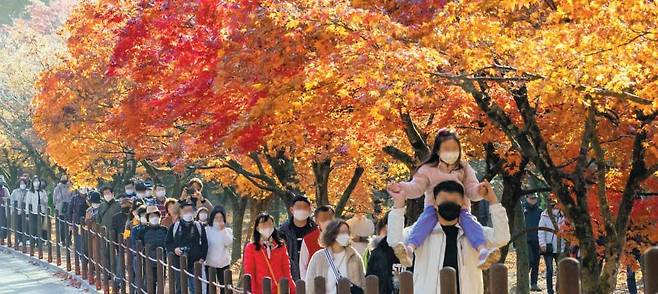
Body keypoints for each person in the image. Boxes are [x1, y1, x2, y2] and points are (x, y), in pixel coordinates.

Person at [386, 129, 496, 268]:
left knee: (472, 225)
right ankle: (409, 249)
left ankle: (483, 251)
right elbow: (416, 188)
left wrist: (480, 191)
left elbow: (471, 189)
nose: (451, 152)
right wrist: (401, 188)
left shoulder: (464, 168)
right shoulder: (427, 169)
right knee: (423, 224)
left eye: (455, 149)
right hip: (433, 208)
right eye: (447, 149)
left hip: (460, 209)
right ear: (438, 151)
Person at [387, 180, 510, 293]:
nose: (449, 203)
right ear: (435, 203)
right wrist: (398, 205)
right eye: (445, 199)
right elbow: (394, 240)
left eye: (455, 200)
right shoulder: (420, 232)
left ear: (462, 204)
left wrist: (493, 202)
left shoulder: (474, 233)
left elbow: (502, 238)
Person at [305, 219, 366, 294]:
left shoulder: (355, 257)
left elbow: (363, 284)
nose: (346, 236)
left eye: (347, 233)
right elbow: (309, 285)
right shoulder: (318, 257)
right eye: (342, 232)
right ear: (332, 234)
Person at [243, 213, 295, 294]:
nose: (267, 226)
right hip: (260, 291)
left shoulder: (281, 246)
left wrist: (294, 290)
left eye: (270, 224)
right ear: (257, 227)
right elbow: (250, 273)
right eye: (263, 224)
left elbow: (287, 272)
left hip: (279, 290)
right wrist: (252, 292)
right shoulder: (251, 248)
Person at [165, 200, 208, 294]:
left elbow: (204, 243)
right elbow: (168, 243)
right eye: (185, 211)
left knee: (196, 289)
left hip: (195, 264)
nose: (188, 213)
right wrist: (175, 249)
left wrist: (202, 258)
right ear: (180, 213)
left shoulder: (198, 226)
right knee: (180, 289)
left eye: (190, 211)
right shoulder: (175, 226)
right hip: (178, 263)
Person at [365, 211, 406, 294]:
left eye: (400, 224)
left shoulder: (411, 251)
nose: (397, 228)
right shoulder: (377, 253)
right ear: (386, 226)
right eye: (394, 224)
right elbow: (369, 281)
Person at [278, 195, 316, 281]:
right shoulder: (283, 231)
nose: (302, 210)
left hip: (311, 274)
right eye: (298, 207)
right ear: (292, 210)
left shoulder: (315, 230)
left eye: (305, 207)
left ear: (309, 210)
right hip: (288, 276)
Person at [135, 206, 168, 293]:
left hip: (162, 261)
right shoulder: (142, 231)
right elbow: (138, 245)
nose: (154, 218)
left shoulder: (164, 230)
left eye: (156, 216)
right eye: (151, 216)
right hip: (148, 261)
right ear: (148, 218)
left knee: (161, 283)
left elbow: (168, 244)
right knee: (150, 283)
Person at [299, 205, 336, 280]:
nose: (327, 222)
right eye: (323, 219)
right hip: (315, 284)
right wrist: (307, 284)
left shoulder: (341, 237)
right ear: (316, 220)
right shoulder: (308, 240)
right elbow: (303, 266)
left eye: (330, 219)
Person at [538, 201, 565, 294]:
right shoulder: (544, 215)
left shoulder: (563, 216)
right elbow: (541, 231)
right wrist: (542, 244)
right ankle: (550, 290)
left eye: (557, 207)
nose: (555, 209)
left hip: (560, 247)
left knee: (561, 269)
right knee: (549, 269)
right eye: (554, 207)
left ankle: (561, 289)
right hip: (548, 247)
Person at [204, 206, 233, 294]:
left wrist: (223, 230)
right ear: (212, 218)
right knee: (210, 288)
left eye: (221, 218)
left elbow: (228, 242)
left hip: (224, 263)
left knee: (226, 288)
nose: (219, 220)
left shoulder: (228, 230)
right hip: (210, 263)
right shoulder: (207, 230)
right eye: (216, 218)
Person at [524, 194, 542, 291]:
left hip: (537, 240)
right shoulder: (523, 211)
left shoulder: (540, 211)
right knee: (529, 260)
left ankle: (534, 283)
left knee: (536, 262)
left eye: (535, 198)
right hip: (526, 240)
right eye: (531, 198)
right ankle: (524, 281)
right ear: (527, 199)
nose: (533, 200)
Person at [25, 176, 48, 245]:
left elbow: (46, 200)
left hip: (42, 211)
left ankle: (39, 241)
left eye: (38, 181)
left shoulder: (43, 191)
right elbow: (27, 202)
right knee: (34, 227)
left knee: (40, 227)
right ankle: (33, 241)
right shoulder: (30, 192)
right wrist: (27, 213)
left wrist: (43, 201)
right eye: (35, 181)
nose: (36, 183)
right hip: (33, 212)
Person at [53, 175, 73, 245]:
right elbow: (72, 197)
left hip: (60, 208)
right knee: (68, 224)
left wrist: (56, 205)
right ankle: (67, 239)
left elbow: (54, 199)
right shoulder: (70, 188)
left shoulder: (57, 188)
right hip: (67, 208)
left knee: (63, 225)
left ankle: (63, 240)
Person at [9, 178, 29, 245]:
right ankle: (19, 239)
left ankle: (25, 239)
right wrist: (13, 209)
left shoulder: (28, 192)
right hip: (17, 211)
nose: (22, 185)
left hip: (25, 211)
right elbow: (11, 201)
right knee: (18, 225)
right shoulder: (15, 192)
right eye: (21, 183)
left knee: (25, 225)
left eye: (24, 183)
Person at [0, 175, 10, 240]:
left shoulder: (5, 189)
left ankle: (2, 236)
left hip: (3, 208)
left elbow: (9, 198)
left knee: (3, 222)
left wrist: (3, 198)